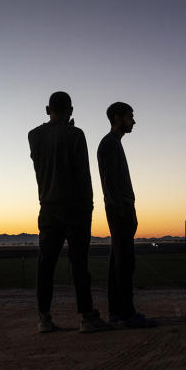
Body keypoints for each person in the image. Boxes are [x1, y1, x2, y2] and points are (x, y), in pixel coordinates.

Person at [28, 91, 110, 334]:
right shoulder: (76, 135)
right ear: (71, 110)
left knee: (46, 265)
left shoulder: (34, 136)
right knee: (79, 264)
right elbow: (83, 174)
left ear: (47, 109)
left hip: (48, 208)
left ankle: (44, 317)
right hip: (75, 208)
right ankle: (86, 316)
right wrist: (89, 206)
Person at [97, 102, 155, 328]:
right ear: (118, 117)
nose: (134, 121)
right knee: (124, 262)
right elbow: (109, 182)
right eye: (131, 116)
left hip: (120, 207)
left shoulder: (113, 143)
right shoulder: (110, 144)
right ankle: (126, 313)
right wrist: (122, 210)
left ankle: (117, 312)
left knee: (118, 261)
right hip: (119, 209)